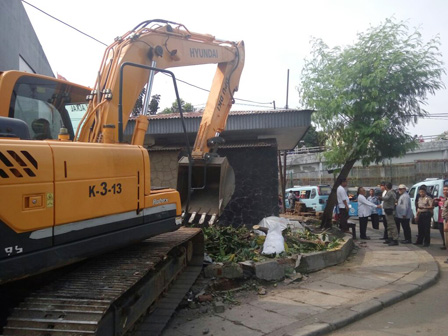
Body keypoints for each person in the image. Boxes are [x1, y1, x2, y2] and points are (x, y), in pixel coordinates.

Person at [441, 186, 448, 264]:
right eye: (444, 190)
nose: (445, 191)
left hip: (447, 221)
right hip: (445, 220)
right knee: (446, 241)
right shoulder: (445, 199)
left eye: (447, 190)